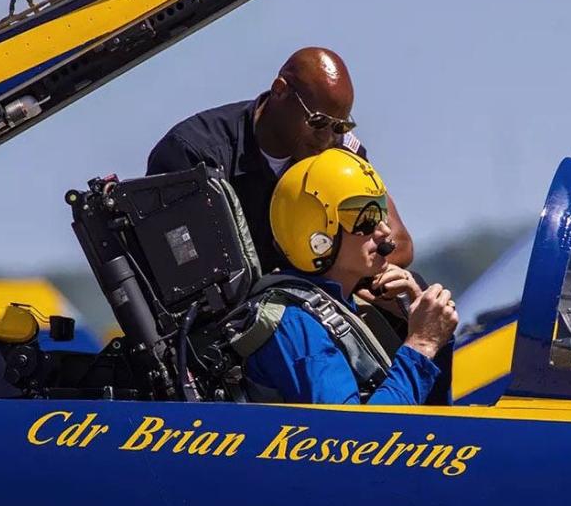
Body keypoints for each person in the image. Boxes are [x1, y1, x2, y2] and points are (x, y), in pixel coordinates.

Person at [146, 47, 414, 274]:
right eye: (318, 122)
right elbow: (190, 274)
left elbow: (399, 243)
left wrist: (357, 277)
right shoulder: (193, 156)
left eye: (340, 127)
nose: (327, 138)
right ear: (279, 90)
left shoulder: (341, 151)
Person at [228, 148, 456, 405]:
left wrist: (434, 337)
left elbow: (435, 421)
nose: (383, 230)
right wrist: (421, 345)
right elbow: (355, 438)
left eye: (380, 213)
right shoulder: (296, 323)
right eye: (364, 217)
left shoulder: (350, 309)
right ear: (314, 231)